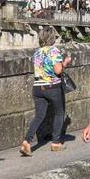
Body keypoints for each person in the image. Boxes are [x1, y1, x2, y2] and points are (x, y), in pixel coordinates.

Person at [20, 27, 71, 155]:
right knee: (59, 113)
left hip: (38, 87)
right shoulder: (54, 51)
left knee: (39, 116)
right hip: (52, 87)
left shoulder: (37, 52)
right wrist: (65, 62)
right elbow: (58, 70)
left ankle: (26, 142)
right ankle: (56, 143)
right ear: (52, 38)